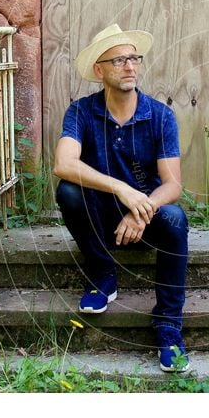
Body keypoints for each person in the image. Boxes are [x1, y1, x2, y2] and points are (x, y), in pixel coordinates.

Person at [53, 23, 190, 372]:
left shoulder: (160, 116)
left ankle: (168, 327)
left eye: (134, 58)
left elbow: (172, 186)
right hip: (101, 218)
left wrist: (141, 210)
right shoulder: (81, 112)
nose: (129, 66)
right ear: (99, 71)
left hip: (144, 221)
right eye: (118, 61)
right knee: (68, 191)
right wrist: (121, 188)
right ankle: (102, 273)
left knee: (175, 218)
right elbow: (63, 164)